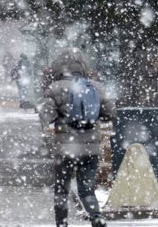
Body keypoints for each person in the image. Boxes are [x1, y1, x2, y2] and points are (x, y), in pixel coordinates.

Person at [38, 48, 115, 227]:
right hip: (91, 148)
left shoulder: (55, 88)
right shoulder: (95, 87)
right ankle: (96, 216)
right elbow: (110, 113)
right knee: (87, 189)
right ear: (82, 66)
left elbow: (46, 116)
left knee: (61, 189)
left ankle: (62, 224)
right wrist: (92, 118)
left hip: (65, 148)